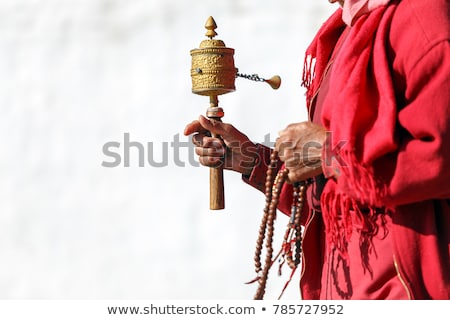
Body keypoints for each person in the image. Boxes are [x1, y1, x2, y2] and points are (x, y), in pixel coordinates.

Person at [184, 0, 450, 299]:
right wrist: (251, 160)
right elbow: (332, 193)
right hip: (339, 289)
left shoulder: (422, 14)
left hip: (403, 290)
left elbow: (438, 157)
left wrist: (331, 153)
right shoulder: (344, 33)